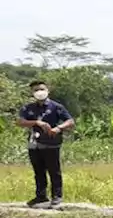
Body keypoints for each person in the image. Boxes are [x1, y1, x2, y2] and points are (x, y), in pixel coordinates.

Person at [16, 80, 74, 208]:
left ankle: (57, 197)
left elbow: (70, 121)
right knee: (38, 171)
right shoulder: (28, 108)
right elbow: (20, 122)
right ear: (32, 93)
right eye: (36, 90)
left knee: (54, 171)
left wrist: (58, 128)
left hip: (51, 143)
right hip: (34, 143)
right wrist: (36, 123)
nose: (39, 92)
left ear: (48, 90)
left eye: (41, 89)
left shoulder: (56, 107)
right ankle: (40, 196)